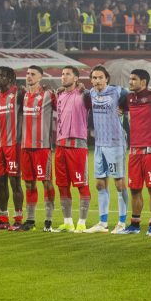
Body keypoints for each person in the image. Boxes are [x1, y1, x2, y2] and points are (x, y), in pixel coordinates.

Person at [86, 66, 130, 233]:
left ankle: (121, 222)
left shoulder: (117, 91)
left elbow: (132, 97)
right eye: (94, 78)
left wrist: (125, 109)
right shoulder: (91, 93)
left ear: (107, 79)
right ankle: (103, 223)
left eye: (100, 77)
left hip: (115, 143)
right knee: (99, 184)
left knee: (119, 184)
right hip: (99, 144)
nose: (97, 80)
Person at [121, 69, 151, 234]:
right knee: (134, 188)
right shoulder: (128, 98)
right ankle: (135, 224)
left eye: (134, 79)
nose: (130, 82)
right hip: (134, 149)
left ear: (144, 81)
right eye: (130, 78)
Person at [17, 66, 57, 231]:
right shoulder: (23, 95)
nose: (29, 76)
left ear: (41, 77)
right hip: (25, 147)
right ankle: (30, 220)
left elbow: (62, 105)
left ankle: (48, 220)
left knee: (46, 182)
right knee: (28, 184)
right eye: (27, 74)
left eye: (33, 74)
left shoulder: (49, 94)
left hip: (42, 147)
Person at [53, 66, 93, 232]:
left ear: (76, 78)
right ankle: (68, 222)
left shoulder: (84, 94)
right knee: (62, 185)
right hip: (60, 145)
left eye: (67, 74)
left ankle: (82, 222)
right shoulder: (60, 95)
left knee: (81, 184)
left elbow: (95, 97)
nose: (63, 77)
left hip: (77, 145)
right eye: (62, 74)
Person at [0, 67, 24, 230]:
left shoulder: (18, 94)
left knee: (14, 182)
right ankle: (3, 218)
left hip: (13, 145)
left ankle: (18, 219)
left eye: (2, 75)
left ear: (11, 78)